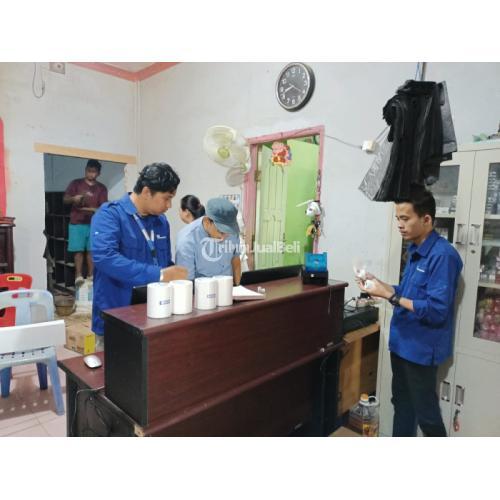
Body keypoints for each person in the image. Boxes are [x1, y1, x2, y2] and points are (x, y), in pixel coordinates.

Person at [357, 187, 463, 437]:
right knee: (402, 405)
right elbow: (407, 293)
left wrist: (391, 296)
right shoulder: (415, 249)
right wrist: (380, 286)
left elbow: (436, 310)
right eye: (397, 218)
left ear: (426, 219)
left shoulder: (443, 255)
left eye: (405, 218)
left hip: (420, 349)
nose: (400, 225)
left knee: (427, 415)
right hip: (402, 344)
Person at [91, 163, 188, 350]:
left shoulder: (161, 222)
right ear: (146, 192)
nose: (169, 206)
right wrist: (159, 275)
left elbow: (162, 262)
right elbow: (105, 258)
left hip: (155, 315)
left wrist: (175, 276)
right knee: (117, 368)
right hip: (117, 317)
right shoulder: (110, 215)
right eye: (166, 198)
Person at [175, 197, 241, 285]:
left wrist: (237, 287)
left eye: (228, 232)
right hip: (201, 290)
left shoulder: (233, 231)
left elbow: (235, 259)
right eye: (221, 232)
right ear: (207, 221)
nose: (224, 237)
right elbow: (186, 283)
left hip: (228, 288)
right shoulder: (186, 240)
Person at [64, 159, 108, 286]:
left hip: (94, 224)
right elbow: (65, 200)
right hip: (76, 222)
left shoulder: (101, 188)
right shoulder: (75, 184)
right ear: (85, 170)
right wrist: (74, 199)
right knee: (78, 250)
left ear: (98, 173)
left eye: (94, 172)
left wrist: (92, 209)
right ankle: (78, 275)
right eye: (89, 171)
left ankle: (91, 275)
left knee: (91, 250)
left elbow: (103, 207)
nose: (91, 174)